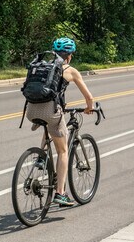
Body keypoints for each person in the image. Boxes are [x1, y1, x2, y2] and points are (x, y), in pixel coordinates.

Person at [25, 37, 95, 207]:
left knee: (49, 126)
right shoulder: (70, 70)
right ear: (69, 55)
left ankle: (41, 158)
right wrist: (89, 108)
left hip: (31, 110)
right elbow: (89, 97)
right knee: (63, 151)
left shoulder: (42, 66)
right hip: (51, 111)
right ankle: (60, 194)